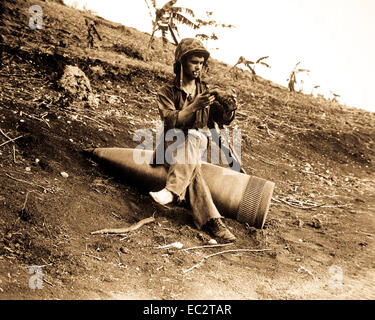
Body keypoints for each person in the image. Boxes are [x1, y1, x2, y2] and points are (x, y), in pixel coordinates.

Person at [149, 38, 237, 242]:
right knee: (194, 143)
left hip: (193, 149)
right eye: (193, 62)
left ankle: (171, 192)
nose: (198, 67)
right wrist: (195, 106)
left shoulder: (206, 91)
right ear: (181, 62)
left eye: (201, 62)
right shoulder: (167, 92)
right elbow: (171, 121)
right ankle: (213, 222)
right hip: (170, 147)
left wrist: (230, 110)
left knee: (197, 138)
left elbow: (220, 121)